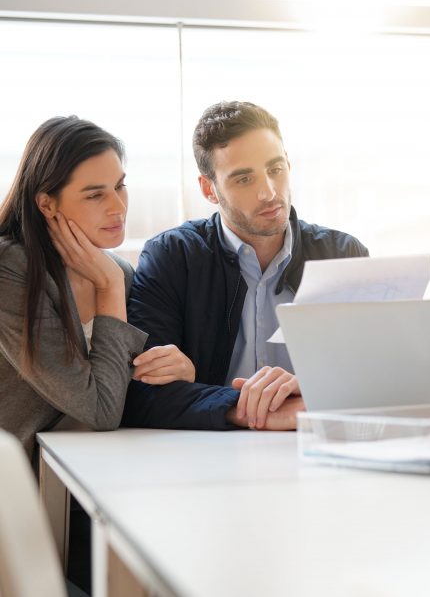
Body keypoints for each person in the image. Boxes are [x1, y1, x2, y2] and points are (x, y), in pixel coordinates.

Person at [123, 101, 368, 431]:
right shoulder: (172, 257)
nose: (268, 192)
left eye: (276, 170)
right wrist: (245, 409)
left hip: (319, 446)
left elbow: (375, 379)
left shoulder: (343, 254)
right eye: (243, 179)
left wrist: (310, 400)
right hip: (209, 455)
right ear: (209, 189)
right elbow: (141, 395)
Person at [0, 116, 194, 461]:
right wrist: (108, 287)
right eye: (95, 195)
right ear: (47, 204)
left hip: (97, 468)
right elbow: (100, 410)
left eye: (120, 186)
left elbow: (121, 388)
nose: (118, 207)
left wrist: (178, 372)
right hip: (23, 486)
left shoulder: (117, 271)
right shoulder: (11, 268)